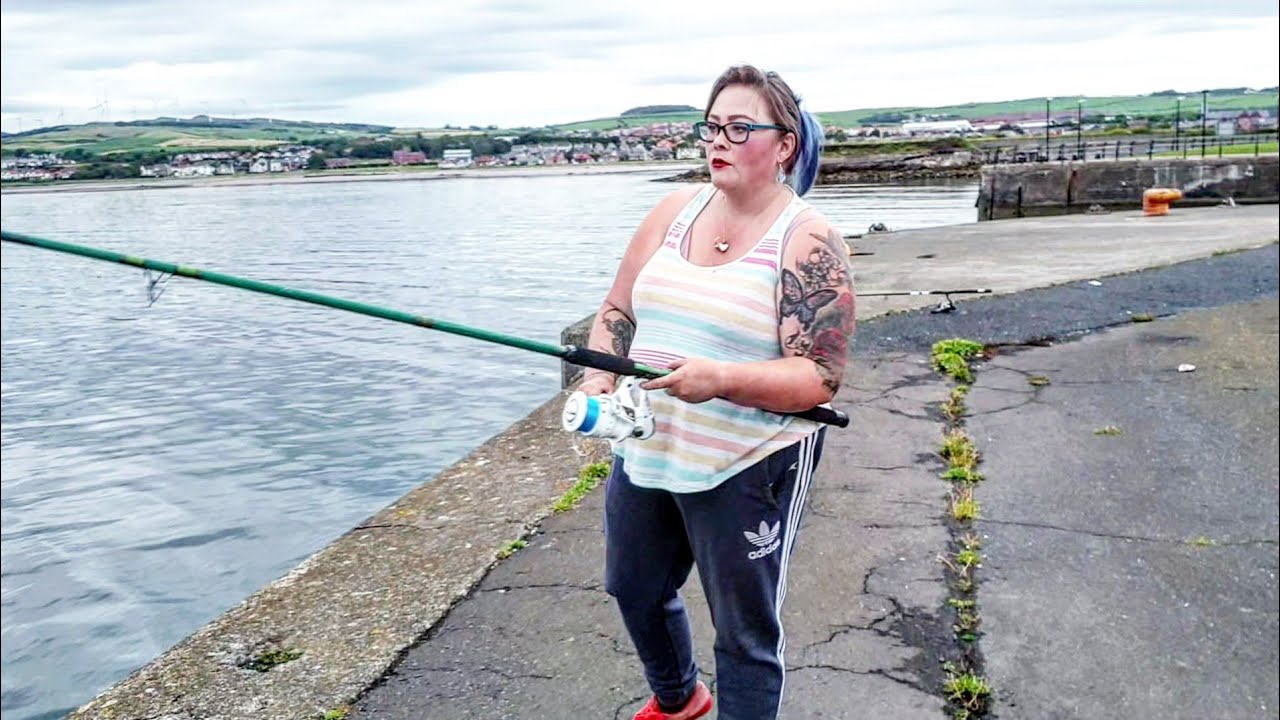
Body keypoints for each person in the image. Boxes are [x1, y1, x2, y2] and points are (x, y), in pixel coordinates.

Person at [577, 63, 857, 720]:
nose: (718, 142)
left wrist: (721, 379)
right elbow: (617, 310)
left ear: (783, 144)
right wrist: (600, 384)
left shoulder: (807, 238)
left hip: (748, 462)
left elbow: (819, 376)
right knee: (634, 587)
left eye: (739, 128)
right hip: (648, 449)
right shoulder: (675, 209)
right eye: (711, 128)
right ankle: (680, 699)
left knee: (744, 632)